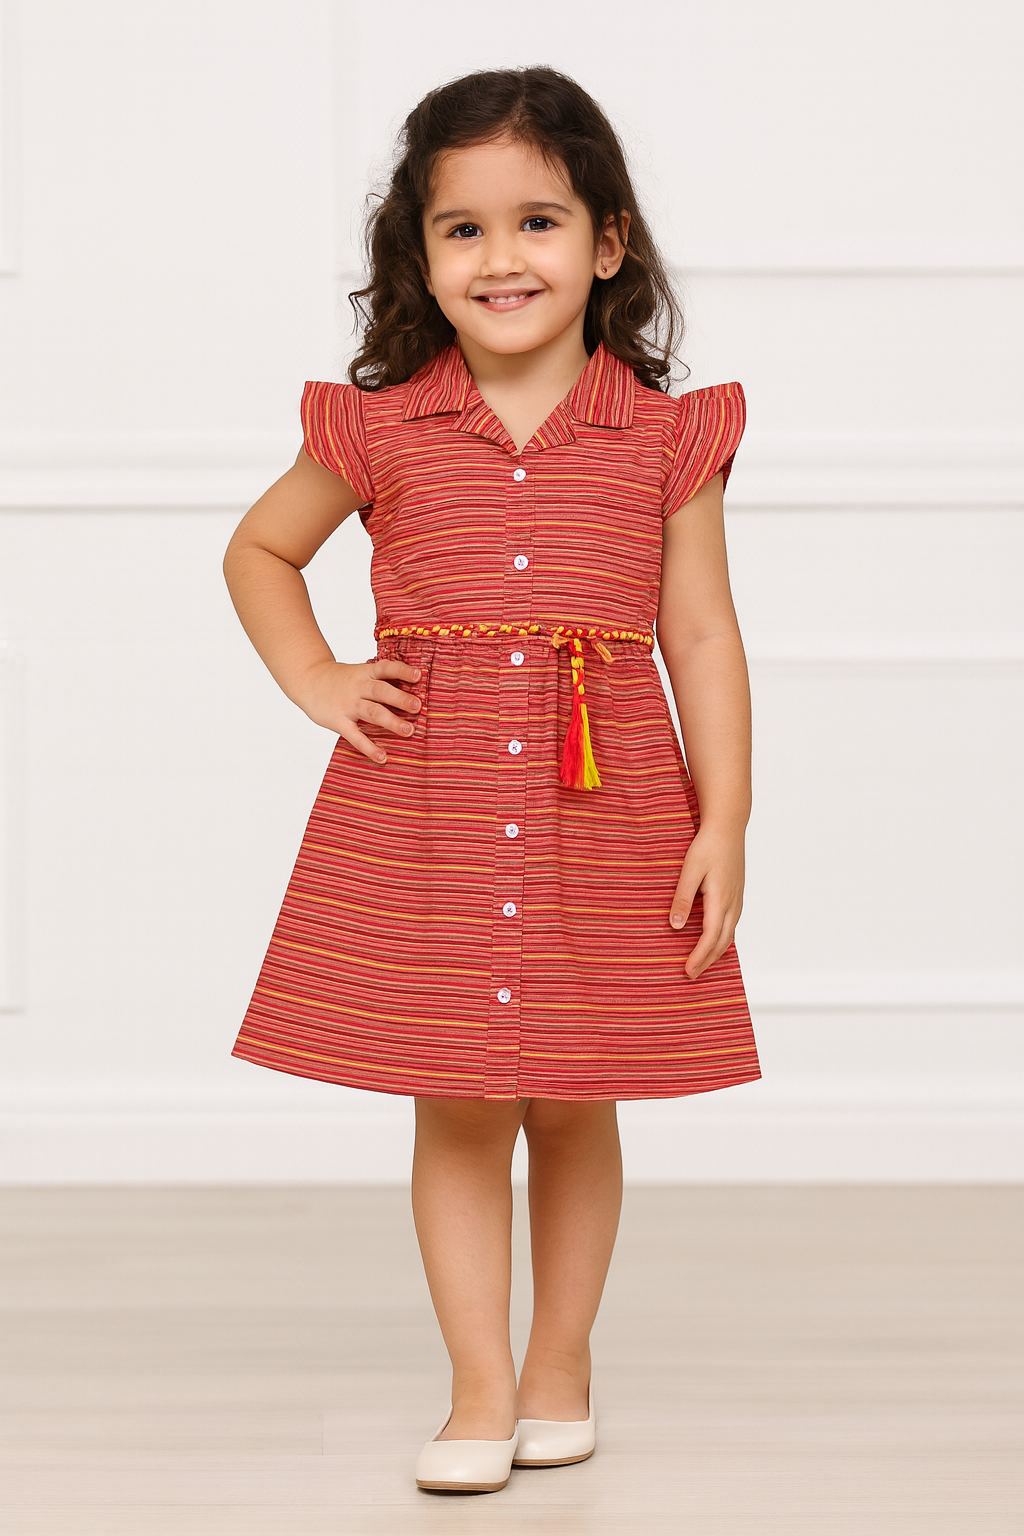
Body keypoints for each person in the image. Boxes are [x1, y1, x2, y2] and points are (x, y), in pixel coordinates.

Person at [223, 65, 761, 1495]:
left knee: (579, 1096)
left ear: (608, 243)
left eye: (536, 221)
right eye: (460, 229)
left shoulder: (666, 437)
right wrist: (324, 679)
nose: (500, 257)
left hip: (610, 806)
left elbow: (699, 631)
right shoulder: (380, 427)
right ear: (418, 256)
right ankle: (475, 1387)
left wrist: (729, 820)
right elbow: (259, 552)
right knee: (455, 1101)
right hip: (430, 813)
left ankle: (559, 1363)